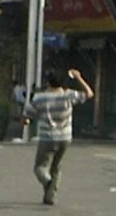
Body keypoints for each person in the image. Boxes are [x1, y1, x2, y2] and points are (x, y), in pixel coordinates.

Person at [22, 68, 94, 205]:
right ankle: (50, 197)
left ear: (48, 82)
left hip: (47, 137)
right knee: (56, 167)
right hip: (65, 137)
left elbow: (27, 116)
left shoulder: (40, 98)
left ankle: (48, 183)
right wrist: (79, 77)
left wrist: (26, 121)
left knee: (40, 167)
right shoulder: (68, 95)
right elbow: (89, 93)